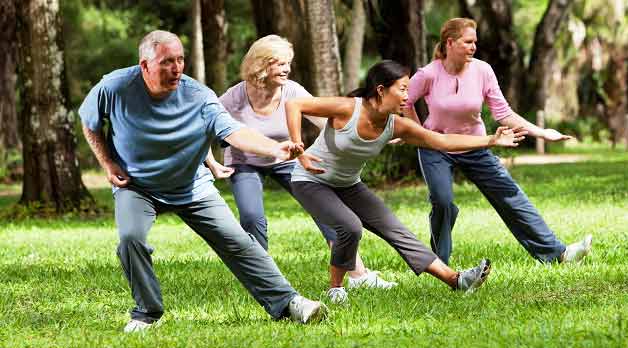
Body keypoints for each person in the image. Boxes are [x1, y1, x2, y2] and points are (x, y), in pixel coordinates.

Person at [78, 30, 327, 333]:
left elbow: (234, 132)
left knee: (238, 242)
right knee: (131, 239)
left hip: (191, 186)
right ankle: (146, 313)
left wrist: (275, 147)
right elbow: (89, 122)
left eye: (181, 60)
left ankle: (289, 302)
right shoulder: (115, 87)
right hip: (137, 184)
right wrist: (107, 162)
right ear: (145, 65)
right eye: (167, 62)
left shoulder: (198, 96)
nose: (177, 68)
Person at [285, 60, 527, 303]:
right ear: (381, 90)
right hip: (310, 180)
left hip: (348, 184)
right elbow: (294, 104)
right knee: (350, 226)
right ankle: (335, 288)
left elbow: (440, 141)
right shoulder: (347, 108)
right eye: (402, 89)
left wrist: (490, 141)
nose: (407, 96)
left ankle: (456, 280)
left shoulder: (396, 125)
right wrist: (299, 148)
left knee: (396, 230)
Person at [206, 35, 396, 289]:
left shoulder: (292, 90)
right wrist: (212, 163)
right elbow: (203, 129)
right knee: (252, 217)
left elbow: (324, 121)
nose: (287, 69)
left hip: (286, 157)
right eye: (279, 63)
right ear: (261, 65)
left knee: (326, 211)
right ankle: (262, 279)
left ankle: (358, 275)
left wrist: (371, 132)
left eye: (288, 63)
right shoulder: (234, 97)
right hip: (244, 162)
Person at [404, 18, 592, 265]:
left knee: (510, 195)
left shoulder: (483, 71)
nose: (473, 47)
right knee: (443, 201)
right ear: (450, 43)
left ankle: (559, 254)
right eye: (468, 42)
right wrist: (420, 134)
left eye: (475, 42)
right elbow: (405, 102)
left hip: (476, 144)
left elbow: (503, 113)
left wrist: (542, 133)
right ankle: (440, 264)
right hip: (436, 147)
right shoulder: (428, 74)